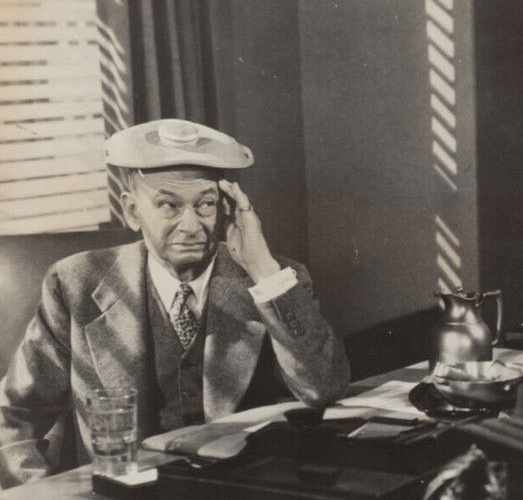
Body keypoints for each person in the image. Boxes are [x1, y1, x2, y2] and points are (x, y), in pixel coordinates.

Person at [0, 119, 350, 488]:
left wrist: (263, 270)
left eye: (206, 204)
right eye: (168, 205)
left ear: (227, 208)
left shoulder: (273, 280)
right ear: (132, 211)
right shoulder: (75, 284)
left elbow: (324, 388)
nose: (191, 225)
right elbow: (13, 416)